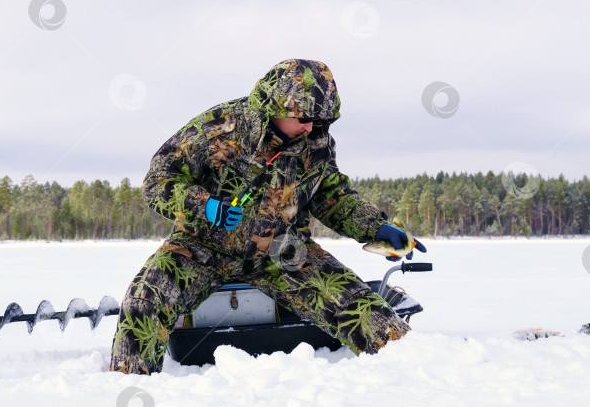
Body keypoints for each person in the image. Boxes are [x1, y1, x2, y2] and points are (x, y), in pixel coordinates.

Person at [110, 59, 426, 374]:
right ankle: (131, 392)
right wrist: (204, 206)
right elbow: (158, 180)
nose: (310, 127)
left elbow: (331, 197)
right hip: (199, 245)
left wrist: (376, 227)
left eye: (319, 119)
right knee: (144, 301)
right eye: (304, 117)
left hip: (282, 249)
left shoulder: (315, 143)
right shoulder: (222, 125)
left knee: (362, 307)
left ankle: (414, 374)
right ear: (278, 105)